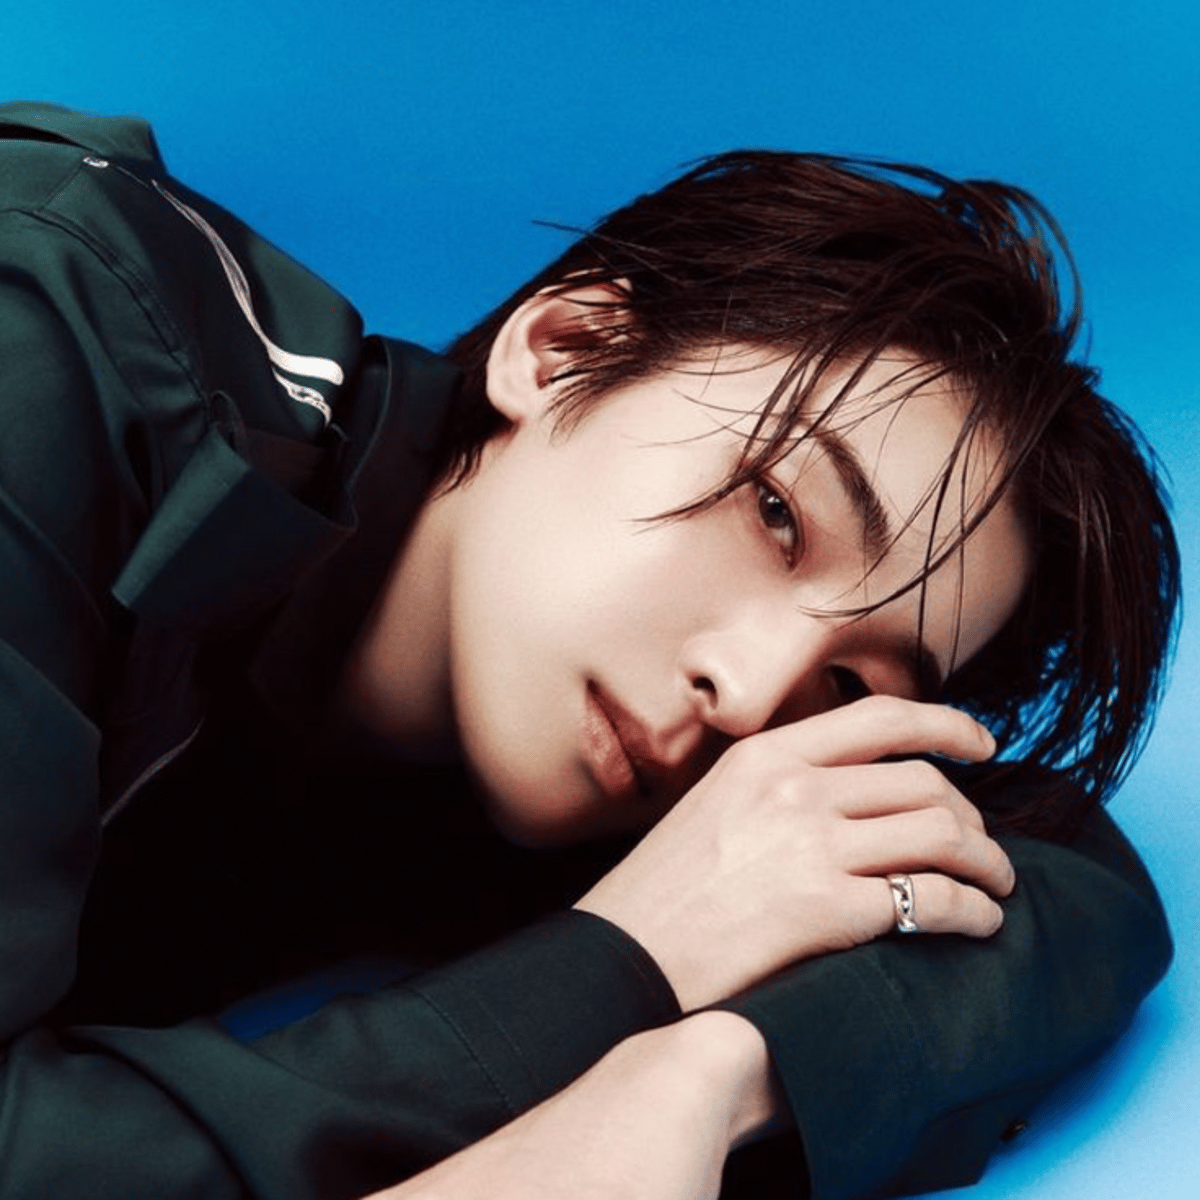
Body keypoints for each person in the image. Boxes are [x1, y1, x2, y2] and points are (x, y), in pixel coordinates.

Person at [0, 99, 1178, 1200]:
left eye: (846, 684)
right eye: (775, 511)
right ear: (561, 349)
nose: (750, 695)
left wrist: (710, 1075)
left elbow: (1054, 870)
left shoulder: (576, 733)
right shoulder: (52, 340)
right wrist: (628, 965)